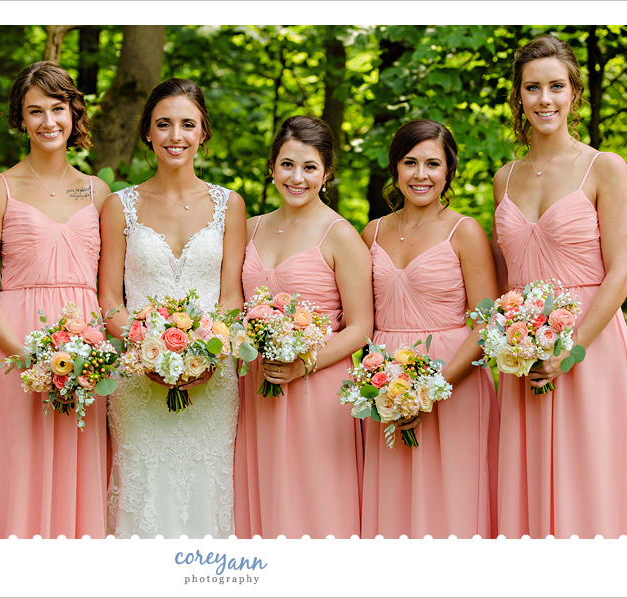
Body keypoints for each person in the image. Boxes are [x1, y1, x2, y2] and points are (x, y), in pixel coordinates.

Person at [492, 35, 627, 539]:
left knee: (590, 483)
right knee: (527, 484)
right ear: (518, 96)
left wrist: (571, 350)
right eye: (533, 88)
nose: (544, 99)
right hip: (522, 352)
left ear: (574, 92)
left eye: (556, 86)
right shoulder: (504, 178)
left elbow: (621, 273)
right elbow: (503, 278)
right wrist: (510, 344)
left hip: (589, 346)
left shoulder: (605, 167)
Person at [0, 61, 111, 539]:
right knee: (15, 471)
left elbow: (110, 290)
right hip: (14, 345)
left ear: (74, 112)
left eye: (57, 108)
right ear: (20, 120)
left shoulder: (99, 192)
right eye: (35, 111)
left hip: (84, 347)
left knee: (78, 467)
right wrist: (25, 356)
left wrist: (97, 354)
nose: (48, 122)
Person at [98, 78, 247, 538]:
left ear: (204, 132)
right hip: (138, 380)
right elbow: (109, 299)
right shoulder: (119, 206)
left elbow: (230, 297)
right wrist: (148, 352)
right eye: (163, 124)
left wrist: (207, 354)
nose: (175, 135)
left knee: (207, 489)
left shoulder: (230, 205)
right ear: (147, 132)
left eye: (187, 124)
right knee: (144, 491)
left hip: (213, 378)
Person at [233, 115, 371, 539]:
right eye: (287, 165)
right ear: (272, 166)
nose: (297, 178)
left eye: (309, 167)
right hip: (258, 388)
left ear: (326, 172)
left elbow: (361, 326)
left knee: (315, 508)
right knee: (262, 504)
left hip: (317, 390)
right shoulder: (250, 228)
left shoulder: (340, 235)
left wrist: (302, 364)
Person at [359, 119, 499, 538]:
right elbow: (363, 322)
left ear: (448, 171)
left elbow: (485, 322)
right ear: (395, 168)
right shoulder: (371, 232)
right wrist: (383, 384)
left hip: (454, 381)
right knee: (394, 502)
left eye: (433, 164)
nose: (421, 175)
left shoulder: (465, 231)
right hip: (388, 384)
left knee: (452, 502)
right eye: (410, 162)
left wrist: (434, 386)